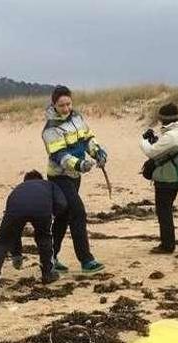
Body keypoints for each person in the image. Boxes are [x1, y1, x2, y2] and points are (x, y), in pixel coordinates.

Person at [41, 85, 106, 274]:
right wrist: (79, 164)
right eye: (62, 105)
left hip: (75, 177)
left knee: (63, 217)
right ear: (54, 105)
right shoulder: (50, 129)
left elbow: (88, 139)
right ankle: (86, 260)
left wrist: (98, 153)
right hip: (59, 177)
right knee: (78, 212)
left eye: (69, 103)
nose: (66, 108)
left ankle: (50, 257)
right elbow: (59, 155)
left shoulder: (77, 118)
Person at [0, 170, 66, 292]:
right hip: (41, 208)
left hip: (16, 208)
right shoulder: (49, 185)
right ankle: (47, 273)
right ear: (41, 179)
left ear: (25, 181)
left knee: (2, 242)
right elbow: (62, 204)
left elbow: (14, 231)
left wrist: (16, 254)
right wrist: (53, 213)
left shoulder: (19, 188)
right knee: (44, 237)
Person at [139, 103, 178, 254]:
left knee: (164, 212)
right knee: (166, 210)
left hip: (168, 179)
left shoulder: (173, 135)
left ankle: (167, 245)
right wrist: (155, 139)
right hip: (176, 177)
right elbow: (165, 149)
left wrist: (144, 140)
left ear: (164, 119)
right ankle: (168, 243)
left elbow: (152, 152)